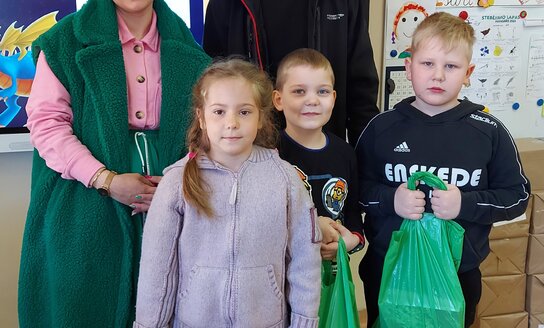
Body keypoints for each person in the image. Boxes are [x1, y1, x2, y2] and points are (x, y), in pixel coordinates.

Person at [18, 0, 210, 327]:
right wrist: (106, 180)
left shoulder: (187, 47)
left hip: (169, 198)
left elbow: (205, 127)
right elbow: (47, 124)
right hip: (85, 198)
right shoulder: (64, 42)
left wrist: (181, 179)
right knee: (87, 306)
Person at [355, 12, 531, 328]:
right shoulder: (381, 129)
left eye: (450, 66)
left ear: (468, 73)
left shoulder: (488, 132)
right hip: (387, 268)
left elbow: (516, 197)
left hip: (457, 272)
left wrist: (465, 204)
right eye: (427, 64)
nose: (438, 75)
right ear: (409, 67)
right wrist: (390, 200)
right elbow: (354, 192)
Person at [133, 58, 322, 328]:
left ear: (260, 117)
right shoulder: (176, 181)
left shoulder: (285, 179)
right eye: (219, 112)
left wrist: (305, 322)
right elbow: (157, 269)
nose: (231, 123)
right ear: (201, 117)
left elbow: (305, 261)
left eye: (244, 112)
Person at [202, 0, 379, 145]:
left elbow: (361, 90)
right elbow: (212, 83)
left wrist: (369, 160)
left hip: (323, 156)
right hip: (251, 153)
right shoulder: (225, 4)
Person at [273, 48, 365, 260]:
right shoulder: (269, 154)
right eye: (299, 91)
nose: (312, 100)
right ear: (278, 100)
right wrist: (313, 228)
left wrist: (350, 241)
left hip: (332, 278)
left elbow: (352, 216)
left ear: (333, 98)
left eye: (322, 91)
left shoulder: (346, 154)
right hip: (284, 277)